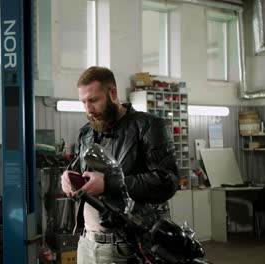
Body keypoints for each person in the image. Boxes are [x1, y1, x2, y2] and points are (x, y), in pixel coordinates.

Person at [60, 66, 179, 263]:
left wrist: (110, 184)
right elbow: (80, 172)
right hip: (87, 243)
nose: (88, 110)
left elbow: (167, 181)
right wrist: (68, 179)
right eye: (83, 102)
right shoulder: (87, 133)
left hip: (126, 245)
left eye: (94, 100)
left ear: (113, 93)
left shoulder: (148, 126)